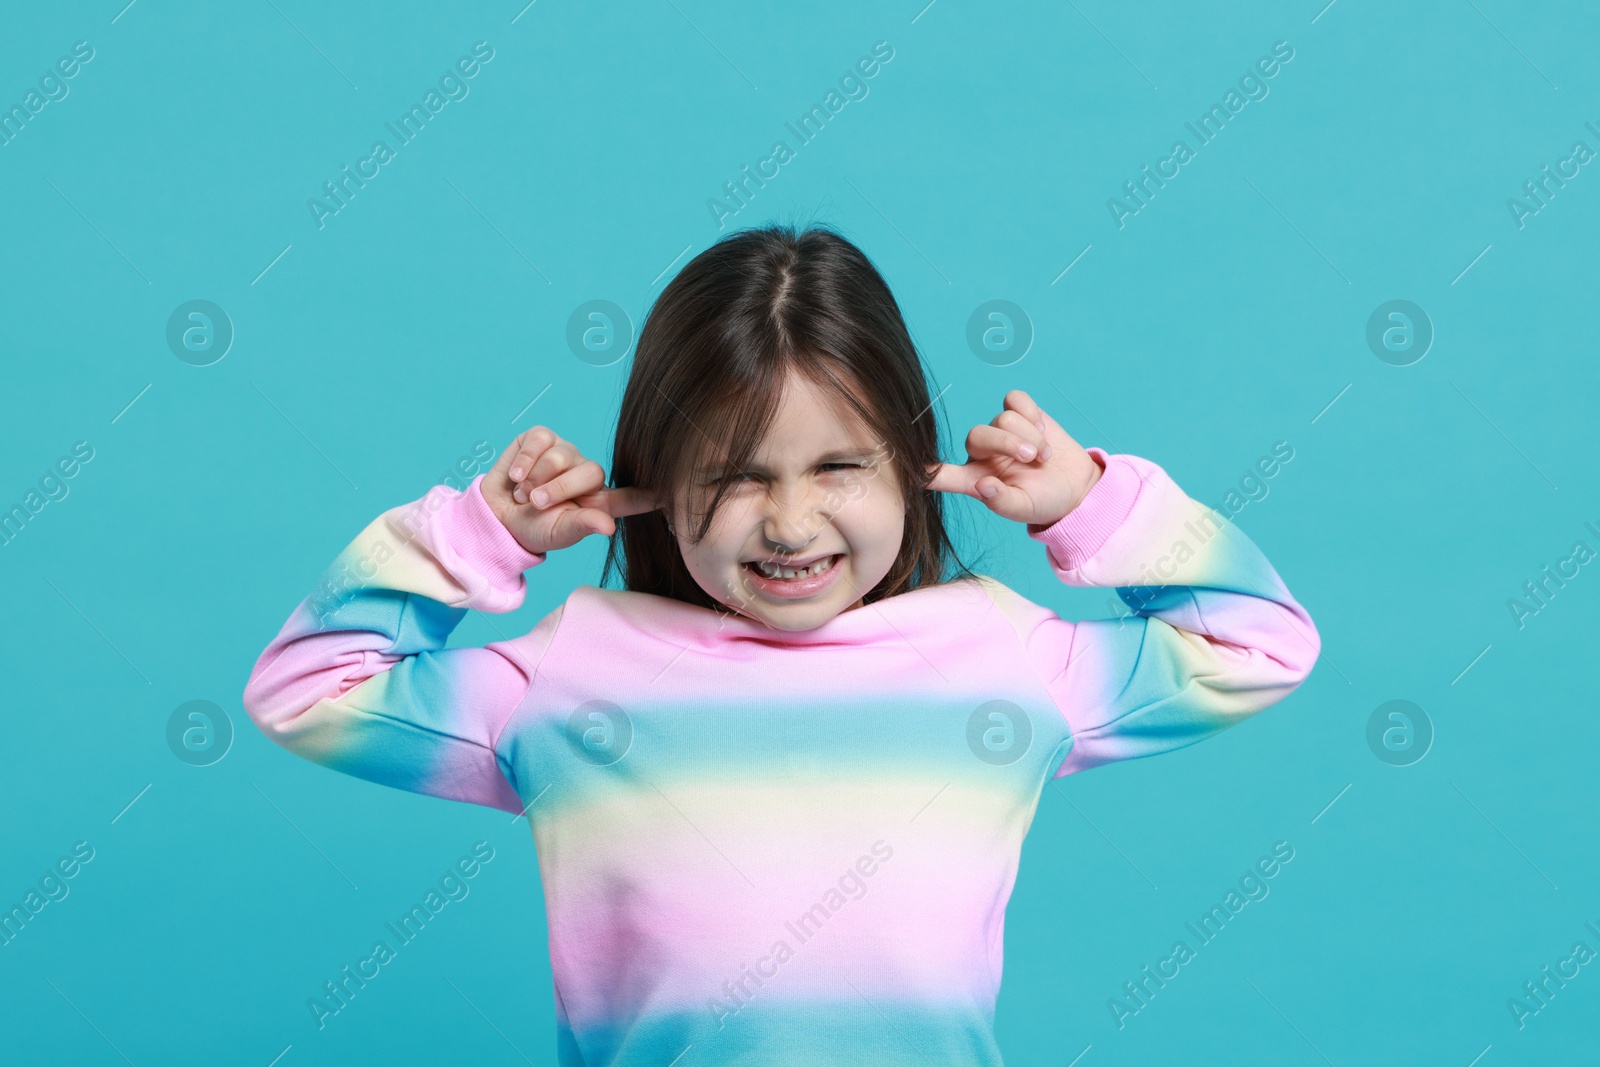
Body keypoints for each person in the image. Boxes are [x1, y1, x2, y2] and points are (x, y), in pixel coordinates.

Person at [242, 223, 1320, 1066]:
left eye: (838, 467)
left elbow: (1258, 641)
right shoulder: (579, 670)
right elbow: (307, 689)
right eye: (736, 476)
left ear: (911, 462)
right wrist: (481, 532)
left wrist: (1086, 505)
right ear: (656, 484)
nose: (791, 523)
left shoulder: (994, 651)